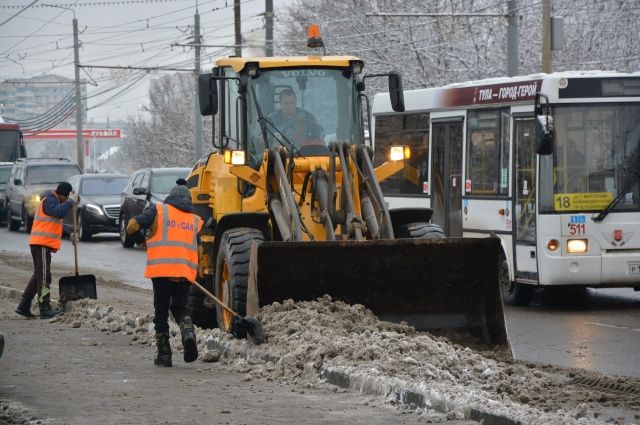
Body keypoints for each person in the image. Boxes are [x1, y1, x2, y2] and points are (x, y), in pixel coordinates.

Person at [126, 178, 202, 367]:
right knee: (179, 309)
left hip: (162, 271)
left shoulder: (159, 210)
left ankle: (164, 354)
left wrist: (141, 241)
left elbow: (132, 226)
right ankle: (188, 334)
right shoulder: (194, 220)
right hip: (184, 272)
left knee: (161, 312)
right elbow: (198, 250)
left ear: (171, 196)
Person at [15, 182, 77, 319]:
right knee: (44, 277)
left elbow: (55, 223)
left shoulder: (54, 201)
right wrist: (71, 202)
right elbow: (58, 212)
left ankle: (23, 305)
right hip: (41, 244)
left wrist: (70, 234)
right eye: (66, 198)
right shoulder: (50, 200)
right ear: (61, 194)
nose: (66, 201)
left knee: (38, 276)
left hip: (41, 244)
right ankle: (44, 308)